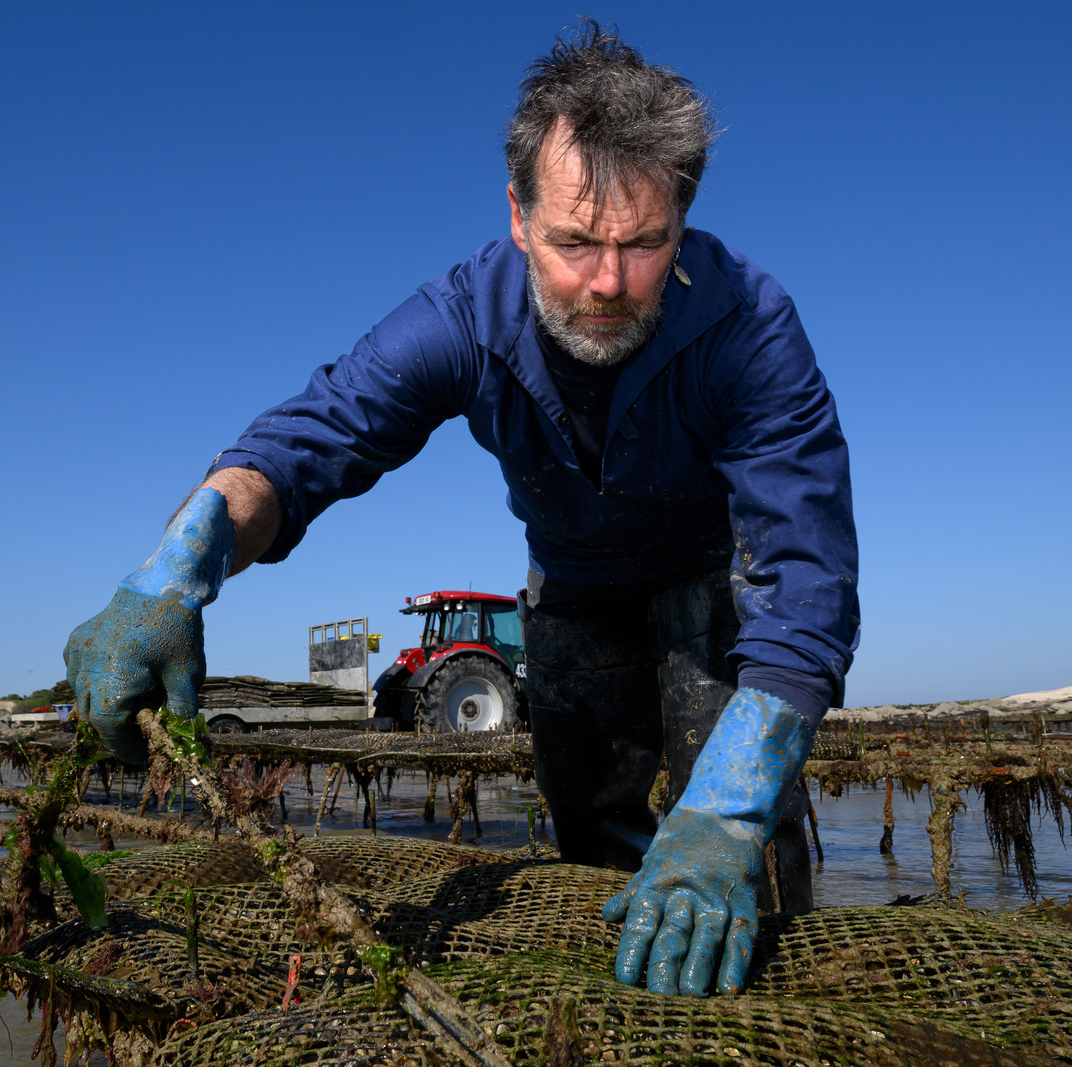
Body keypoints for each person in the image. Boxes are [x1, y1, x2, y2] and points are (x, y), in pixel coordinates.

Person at [64, 22, 859, 999]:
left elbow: (807, 575)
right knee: (595, 844)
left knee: (745, 853)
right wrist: (178, 564)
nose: (605, 284)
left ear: (683, 223)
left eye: (643, 244)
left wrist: (729, 811)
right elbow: (306, 441)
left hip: (708, 586)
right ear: (519, 218)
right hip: (570, 588)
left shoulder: (749, 325)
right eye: (572, 242)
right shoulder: (458, 321)